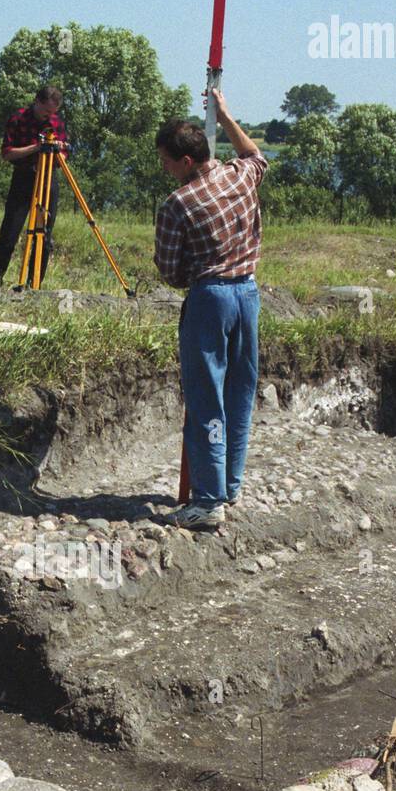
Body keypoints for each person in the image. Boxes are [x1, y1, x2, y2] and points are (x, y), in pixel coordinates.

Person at [154, 90, 268, 530]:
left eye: (166, 161)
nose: (164, 169)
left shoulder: (178, 204)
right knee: (239, 393)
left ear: (185, 161)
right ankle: (229, 485)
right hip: (248, 295)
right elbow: (254, 153)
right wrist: (225, 116)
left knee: (205, 400)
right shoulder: (241, 177)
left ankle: (206, 500)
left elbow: (169, 269)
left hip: (210, 300)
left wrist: (193, 274)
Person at [0, 86, 69, 293]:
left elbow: (66, 153)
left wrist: (57, 151)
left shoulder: (57, 122)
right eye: (46, 111)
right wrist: (36, 148)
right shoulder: (18, 118)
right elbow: (7, 153)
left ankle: (34, 286)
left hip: (48, 177)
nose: (49, 116)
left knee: (44, 235)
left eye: (52, 112)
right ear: (37, 102)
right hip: (23, 177)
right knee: (9, 234)